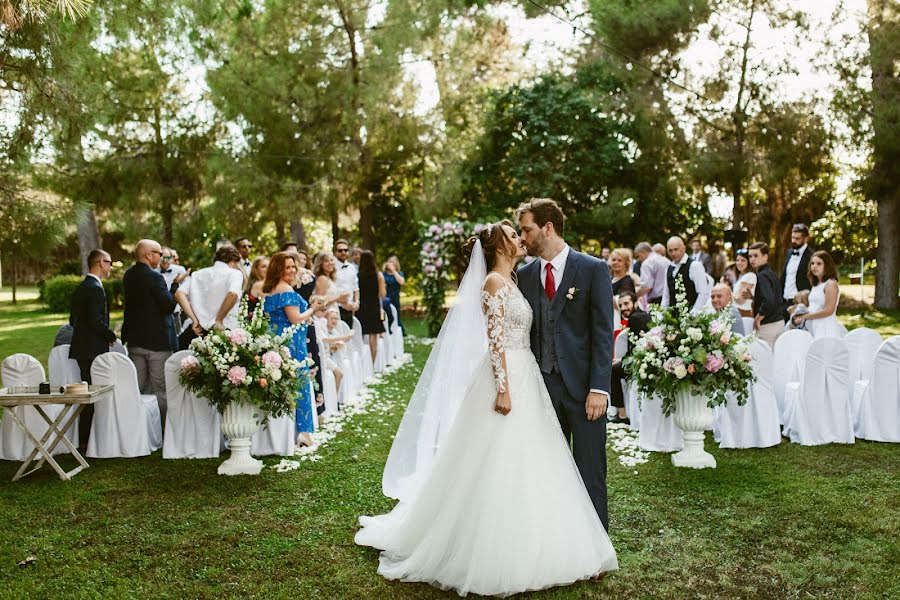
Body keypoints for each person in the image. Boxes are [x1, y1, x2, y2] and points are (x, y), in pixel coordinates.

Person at [356, 220, 618, 596]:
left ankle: (546, 537)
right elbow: (494, 342)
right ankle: (496, 545)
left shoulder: (514, 279)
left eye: (522, 231)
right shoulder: (495, 282)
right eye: (514, 234)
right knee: (500, 461)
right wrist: (503, 389)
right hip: (508, 379)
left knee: (537, 460)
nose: (521, 238)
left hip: (529, 376)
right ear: (499, 246)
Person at [516, 198, 614, 531]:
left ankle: (596, 545)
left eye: (527, 230)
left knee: (590, 470)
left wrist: (599, 388)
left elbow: (603, 334)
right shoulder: (525, 275)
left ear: (548, 227)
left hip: (586, 390)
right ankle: (556, 540)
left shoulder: (592, 269)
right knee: (548, 469)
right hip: (542, 388)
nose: (523, 238)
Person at [122, 239, 189, 424]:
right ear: (148, 254)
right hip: (157, 342)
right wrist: (175, 287)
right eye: (159, 253)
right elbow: (167, 306)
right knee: (160, 388)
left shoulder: (128, 275)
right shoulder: (154, 277)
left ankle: (140, 428)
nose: (161, 257)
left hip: (135, 340)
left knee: (139, 388)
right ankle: (162, 429)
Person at [262, 252, 325, 447]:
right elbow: (296, 318)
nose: (291, 270)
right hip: (292, 344)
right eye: (287, 267)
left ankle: (285, 432)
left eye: (293, 267)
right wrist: (313, 309)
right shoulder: (286, 290)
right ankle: (303, 432)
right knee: (299, 384)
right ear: (277, 269)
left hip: (276, 341)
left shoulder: (270, 290)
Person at [69, 249, 117, 446]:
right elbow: (94, 320)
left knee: (87, 392)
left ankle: (85, 440)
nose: (111, 267)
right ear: (99, 263)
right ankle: (88, 442)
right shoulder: (95, 288)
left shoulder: (81, 287)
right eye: (109, 262)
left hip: (82, 348)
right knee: (91, 395)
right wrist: (110, 334)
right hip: (92, 349)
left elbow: (73, 320)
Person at [174, 245, 245, 350]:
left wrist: (194, 320)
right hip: (224, 329)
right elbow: (233, 294)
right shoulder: (234, 274)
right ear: (232, 262)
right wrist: (219, 319)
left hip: (199, 330)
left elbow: (179, 293)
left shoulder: (198, 274)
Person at [610, 292, 651, 424]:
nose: (623, 308)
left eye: (626, 303)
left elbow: (635, 349)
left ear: (636, 302)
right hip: (648, 360)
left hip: (639, 363)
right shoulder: (645, 315)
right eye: (620, 305)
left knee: (612, 371)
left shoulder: (635, 319)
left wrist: (621, 361)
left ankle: (621, 414)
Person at [791, 250, 847, 339]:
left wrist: (805, 316)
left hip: (825, 327)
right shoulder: (816, 284)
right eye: (812, 263)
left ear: (827, 265)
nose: (814, 266)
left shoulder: (830, 284)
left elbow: (829, 310)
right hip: (813, 326)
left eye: (819, 264)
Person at [748, 242, 784, 348]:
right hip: (778, 322)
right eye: (750, 256)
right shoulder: (772, 273)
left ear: (765, 257)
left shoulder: (762, 276)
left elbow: (769, 301)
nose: (752, 259)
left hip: (768, 325)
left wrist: (757, 318)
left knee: (763, 360)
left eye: (756, 256)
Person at [663, 236, 711, 315]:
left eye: (676, 249)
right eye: (670, 251)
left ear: (683, 248)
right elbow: (666, 296)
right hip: (673, 318)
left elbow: (703, 293)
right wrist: (663, 315)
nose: (673, 253)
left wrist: (694, 314)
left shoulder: (694, 265)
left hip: (691, 318)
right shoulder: (668, 269)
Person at [356, 249, 387, 363]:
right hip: (374, 307)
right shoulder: (378, 275)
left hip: (362, 307)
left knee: (360, 334)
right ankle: (372, 364)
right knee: (373, 337)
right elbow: (383, 294)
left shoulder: (357, 275)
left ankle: (361, 364)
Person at [780, 223, 813, 316]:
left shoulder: (811, 256)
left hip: (800, 302)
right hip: (784, 302)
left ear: (806, 239)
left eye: (797, 238)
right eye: (792, 237)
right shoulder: (789, 252)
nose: (793, 241)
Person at [333, 239, 360, 327]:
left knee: (349, 336)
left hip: (350, 308)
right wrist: (343, 303)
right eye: (340, 250)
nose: (343, 252)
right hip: (336, 308)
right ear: (335, 252)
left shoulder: (352, 267)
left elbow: (355, 287)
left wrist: (356, 302)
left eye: (345, 250)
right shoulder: (331, 268)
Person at [635, 241, 668, 305]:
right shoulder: (665, 260)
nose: (638, 260)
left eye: (638, 256)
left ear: (642, 252)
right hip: (667, 297)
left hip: (656, 300)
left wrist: (634, 296)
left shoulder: (647, 263)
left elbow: (646, 287)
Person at [733, 249, 756, 334]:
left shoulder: (749, 276)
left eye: (743, 260)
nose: (739, 263)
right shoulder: (741, 276)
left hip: (745, 316)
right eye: (737, 260)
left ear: (748, 262)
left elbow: (740, 300)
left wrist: (728, 293)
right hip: (739, 315)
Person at [382, 255, 405, 334]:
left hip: (395, 297)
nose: (391, 264)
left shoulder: (399, 273)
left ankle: (398, 331)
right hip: (385, 297)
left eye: (393, 262)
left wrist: (394, 271)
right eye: (389, 262)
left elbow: (401, 282)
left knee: (396, 315)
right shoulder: (383, 274)